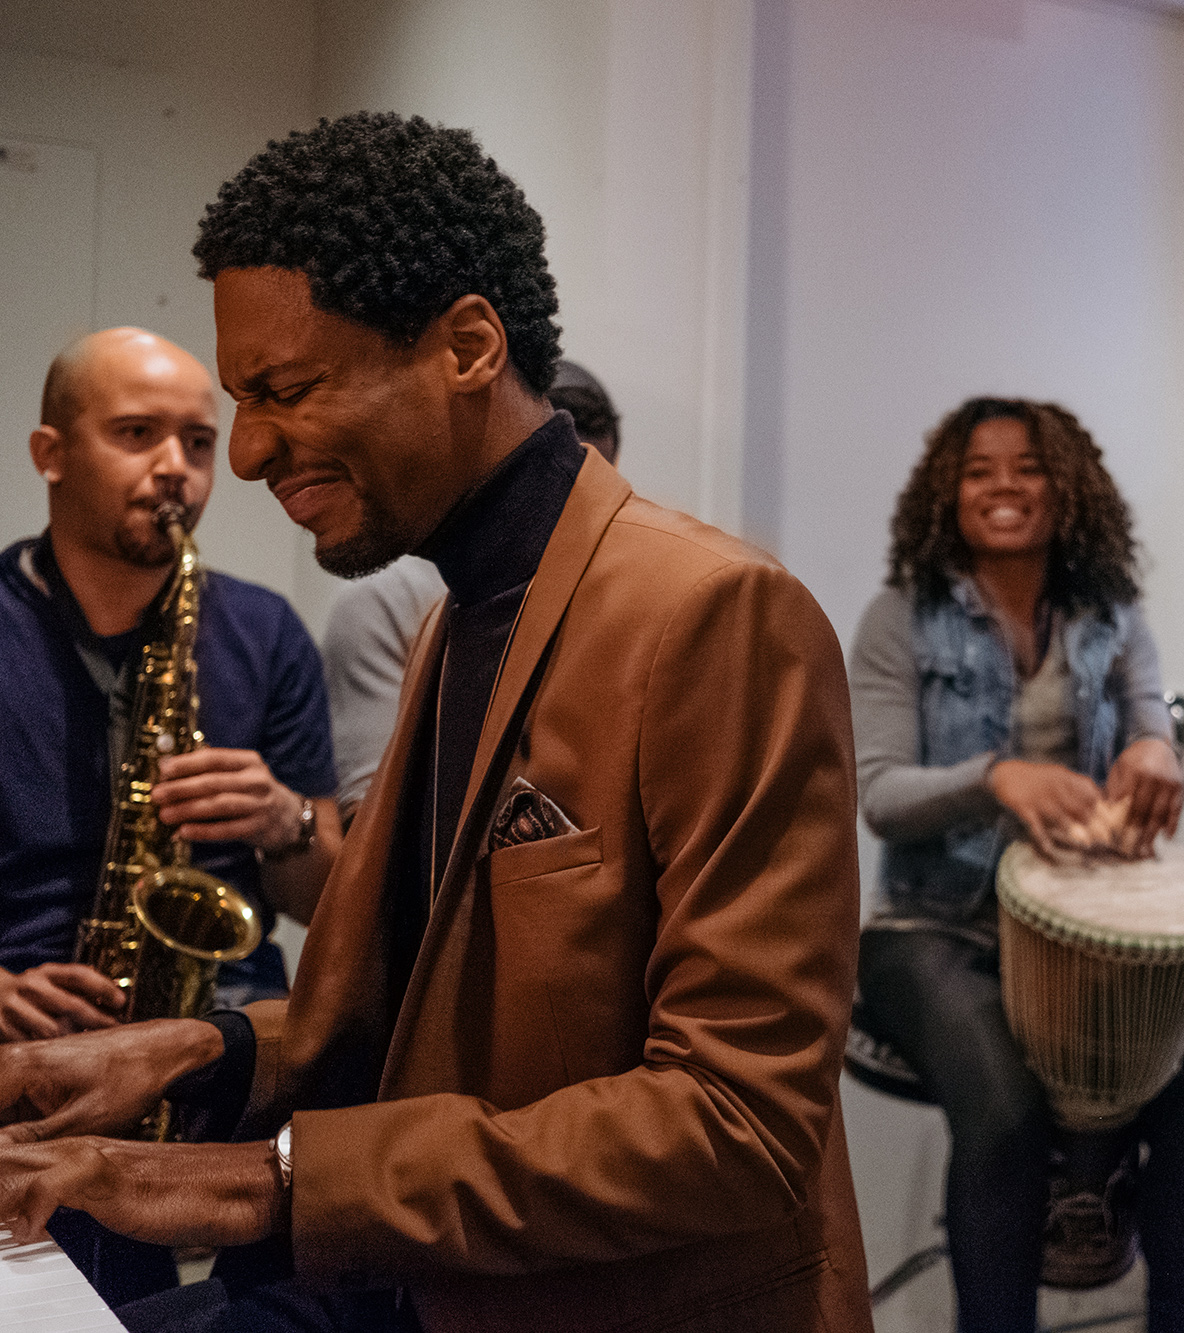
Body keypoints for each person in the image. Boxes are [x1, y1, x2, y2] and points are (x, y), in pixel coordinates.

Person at [0, 112, 870, 1333]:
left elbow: (734, 1123)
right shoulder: (451, 616)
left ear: (466, 345)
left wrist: (250, 1181)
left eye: (283, 390)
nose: (243, 455)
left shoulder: (713, 612)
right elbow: (396, 1016)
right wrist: (179, 1053)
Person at [849, 396, 1184, 1333]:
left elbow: (1152, 725)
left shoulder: (1113, 619)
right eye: (979, 469)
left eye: (1027, 467)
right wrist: (998, 778)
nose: (1004, 487)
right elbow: (880, 792)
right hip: (930, 927)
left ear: (1066, 488)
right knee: (1007, 1114)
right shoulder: (899, 618)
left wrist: (1157, 754)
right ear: (948, 493)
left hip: (1080, 928)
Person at [0, 327, 341, 1306]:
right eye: (137, 433)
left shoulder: (265, 630)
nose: (177, 470)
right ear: (51, 453)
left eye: (197, 441)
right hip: (30, 1042)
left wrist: (285, 820)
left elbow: (325, 900)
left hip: (223, 1051)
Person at [320, 359, 621, 821]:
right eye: (560, 485)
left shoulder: (624, 592)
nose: (576, 510)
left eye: (596, 487)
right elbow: (369, 818)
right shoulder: (389, 601)